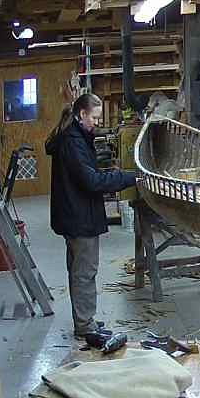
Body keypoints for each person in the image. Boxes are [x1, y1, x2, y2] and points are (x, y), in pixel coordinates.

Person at [45, 94, 137, 340]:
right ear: (82, 114)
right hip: (79, 216)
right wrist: (129, 177)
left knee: (79, 270)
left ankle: (85, 319)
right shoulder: (73, 142)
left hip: (75, 213)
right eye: (94, 117)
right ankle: (85, 325)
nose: (97, 122)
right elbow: (92, 181)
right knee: (84, 272)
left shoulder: (75, 136)